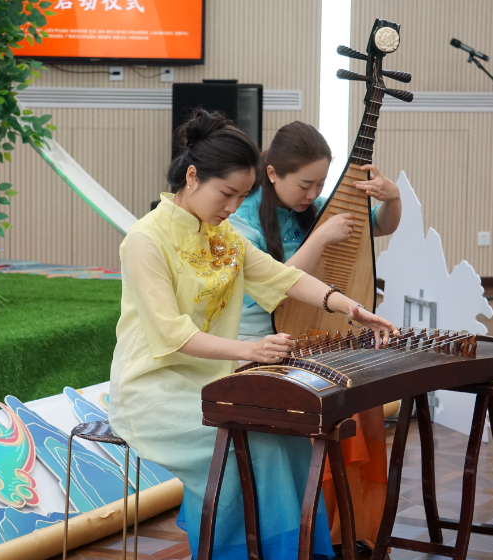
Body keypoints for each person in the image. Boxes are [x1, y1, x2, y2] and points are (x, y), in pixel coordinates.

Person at [109, 110, 400, 560]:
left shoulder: (222, 236)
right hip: (154, 390)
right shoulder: (145, 240)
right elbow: (173, 335)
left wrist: (352, 308)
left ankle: (290, 551)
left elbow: (284, 278)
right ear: (192, 177)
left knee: (287, 432)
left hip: (216, 378)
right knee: (249, 440)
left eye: (241, 196)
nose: (231, 207)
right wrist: (252, 349)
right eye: (226, 194)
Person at [228, 121, 401, 555]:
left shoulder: (313, 209)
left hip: (311, 338)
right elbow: (271, 287)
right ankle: (312, 533)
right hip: (260, 344)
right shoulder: (243, 219)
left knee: (361, 403)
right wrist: (321, 237)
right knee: (321, 418)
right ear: (272, 174)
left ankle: (347, 531)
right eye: (305, 184)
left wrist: (392, 198)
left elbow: (378, 226)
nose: (313, 193)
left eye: (321, 184)